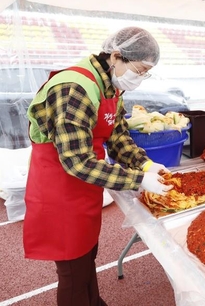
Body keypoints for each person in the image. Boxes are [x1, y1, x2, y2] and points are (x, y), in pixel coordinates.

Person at [23, 26, 173, 306]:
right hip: (60, 190)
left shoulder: (110, 86)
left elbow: (118, 137)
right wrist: (137, 180)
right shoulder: (74, 88)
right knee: (72, 272)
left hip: (86, 186)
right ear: (116, 56)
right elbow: (77, 161)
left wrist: (146, 165)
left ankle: (93, 301)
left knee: (87, 256)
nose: (139, 78)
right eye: (139, 70)